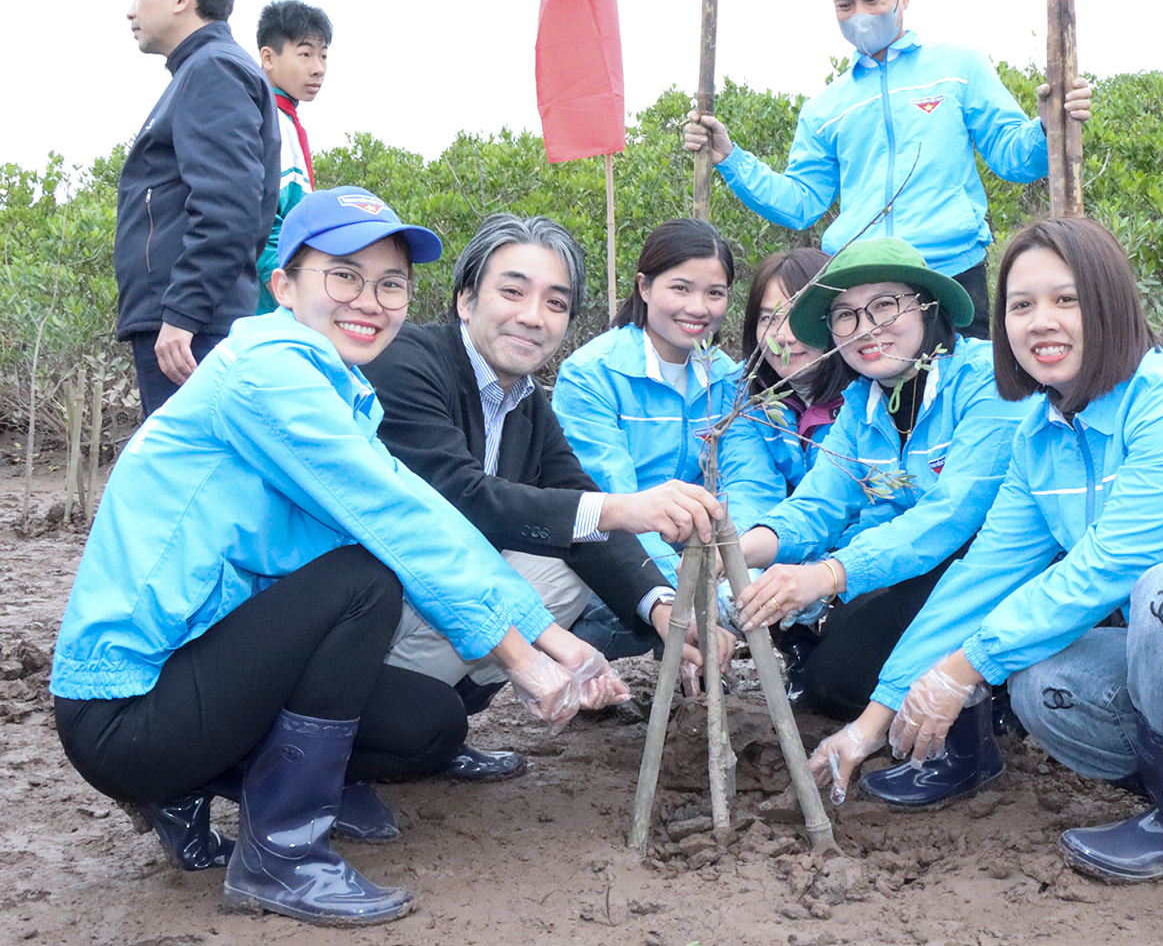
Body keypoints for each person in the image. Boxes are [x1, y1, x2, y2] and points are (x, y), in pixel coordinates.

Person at [50, 187, 626, 926]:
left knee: (425, 723)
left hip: (197, 671)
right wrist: (523, 651)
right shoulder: (267, 372)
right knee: (365, 579)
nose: (372, 301)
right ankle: (280, 854)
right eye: (343, 276)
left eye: (390, 283)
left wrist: (553, 642)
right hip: (126, 710)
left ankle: (202, 786)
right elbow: (400, 514)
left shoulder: (340, 392)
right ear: (284, 286)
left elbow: (405, 510)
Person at [810, 216, 1163, 883]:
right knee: (1041, 678)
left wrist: (965, 668)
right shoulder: (1040, 432)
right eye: (1022, 306)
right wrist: (873, 720)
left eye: (1067, 300)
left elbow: (1111, 566)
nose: (1041, 323)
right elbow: (985, 574)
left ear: (1111, 302)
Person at [364, 214, 726, 771]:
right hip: (370, 608)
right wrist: (624, 507)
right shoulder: (408, 361)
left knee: (569, 558)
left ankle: (431, 723)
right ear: (465, 299)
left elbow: (576, 500)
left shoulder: (525, 401)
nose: (533, 317)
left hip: (451, 597)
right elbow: (459, 497)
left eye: (555, 303)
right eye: (512, 291)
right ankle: (356, 737)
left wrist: (663, 608)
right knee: (421, 722)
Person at [683, 0, 1092, 339]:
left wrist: (1046, 128)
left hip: (951, 275)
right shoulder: (825, 107)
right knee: (871, 405)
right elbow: (802, 203)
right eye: (845, 4)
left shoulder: (958, 67)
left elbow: (1014, 158)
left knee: (966, 398)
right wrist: (730, 158)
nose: (858, 14)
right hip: (859, 283)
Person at [731, 238, 1035, 722]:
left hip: (987, 568)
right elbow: (818, 505)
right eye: (846, 315)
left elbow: (953, 515)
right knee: (826, 677)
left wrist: (829, 574)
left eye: (884, 306)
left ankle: (992, 704)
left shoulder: (986, 380)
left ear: (927, 306)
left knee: (842, 680)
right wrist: (735, 551)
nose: (866, 329)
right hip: (907, 566)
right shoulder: (862, 404)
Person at [551, 219, 761, 662]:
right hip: (615, 556)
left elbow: (748, 482)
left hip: (702, 554)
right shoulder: (593, 375)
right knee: (594, 613)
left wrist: (726, 561)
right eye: (680, 288)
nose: (698, 308)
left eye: (715, 293)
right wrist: (675, 594)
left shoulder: (728, 379)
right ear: (644, 287)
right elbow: (612, 494)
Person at [116, 0, 280, 415]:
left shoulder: (212, 72)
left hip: (189, 331)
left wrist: (184, 313)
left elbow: (228, 207)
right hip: (189, 323)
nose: (131, 10)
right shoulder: (204, 70)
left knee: (187, 480)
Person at [720, 247, 852, 535]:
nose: (783, 337)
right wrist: (737, 549)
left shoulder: (864, 394)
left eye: (798, 318)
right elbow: (750, 484)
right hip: (782, 539)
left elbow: (856, 503)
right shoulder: (743, 390)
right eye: (768, 319)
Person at [255, 0, 331, 312]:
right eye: (305, 54)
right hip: (268, 304)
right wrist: (298, 301)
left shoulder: (284, 120)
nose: (318, 68)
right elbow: (264, 227)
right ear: (268, 58)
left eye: (323, 55)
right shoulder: (268, 122)